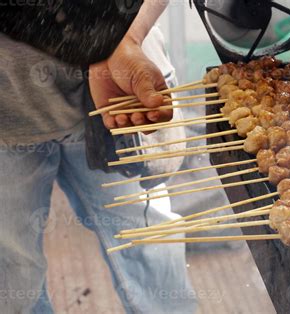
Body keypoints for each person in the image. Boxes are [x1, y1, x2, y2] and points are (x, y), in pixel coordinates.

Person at [0, 1, 196, 313]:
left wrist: (125, 39)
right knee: (11, 271)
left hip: (117, 92)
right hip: (7, 117)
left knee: (149, 244)